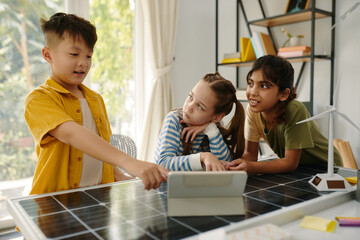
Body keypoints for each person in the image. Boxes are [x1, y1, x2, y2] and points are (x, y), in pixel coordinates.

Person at [24, 12, 168, 195]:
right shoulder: (39, 99)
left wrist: (118, 174)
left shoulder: (96, 99)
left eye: (89, 56)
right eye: (74, 54)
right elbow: (72, 134)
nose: (83, 63)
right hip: (55, 205)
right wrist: (129, 162)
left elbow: (99, 147)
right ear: (48, 55)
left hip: (97, 199)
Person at [228, 55, 342, 174]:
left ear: (283, 94)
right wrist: (231, 166)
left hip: (326, 167)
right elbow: (251, 155)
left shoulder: (295, 110)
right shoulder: (252, 111)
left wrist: (251, 167)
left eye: (264, 86)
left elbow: (289, 163)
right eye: (250, 83)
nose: (253, 92)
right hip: (299, 169)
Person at [154, 72, 245, 171]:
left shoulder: (213, 129)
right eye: (190, 97)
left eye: (200, 107)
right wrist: (203, 157)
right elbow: (163, 164)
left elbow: (224, 166)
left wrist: (211, 131)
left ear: (216, 118)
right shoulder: (174, 120)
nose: (189, 107)